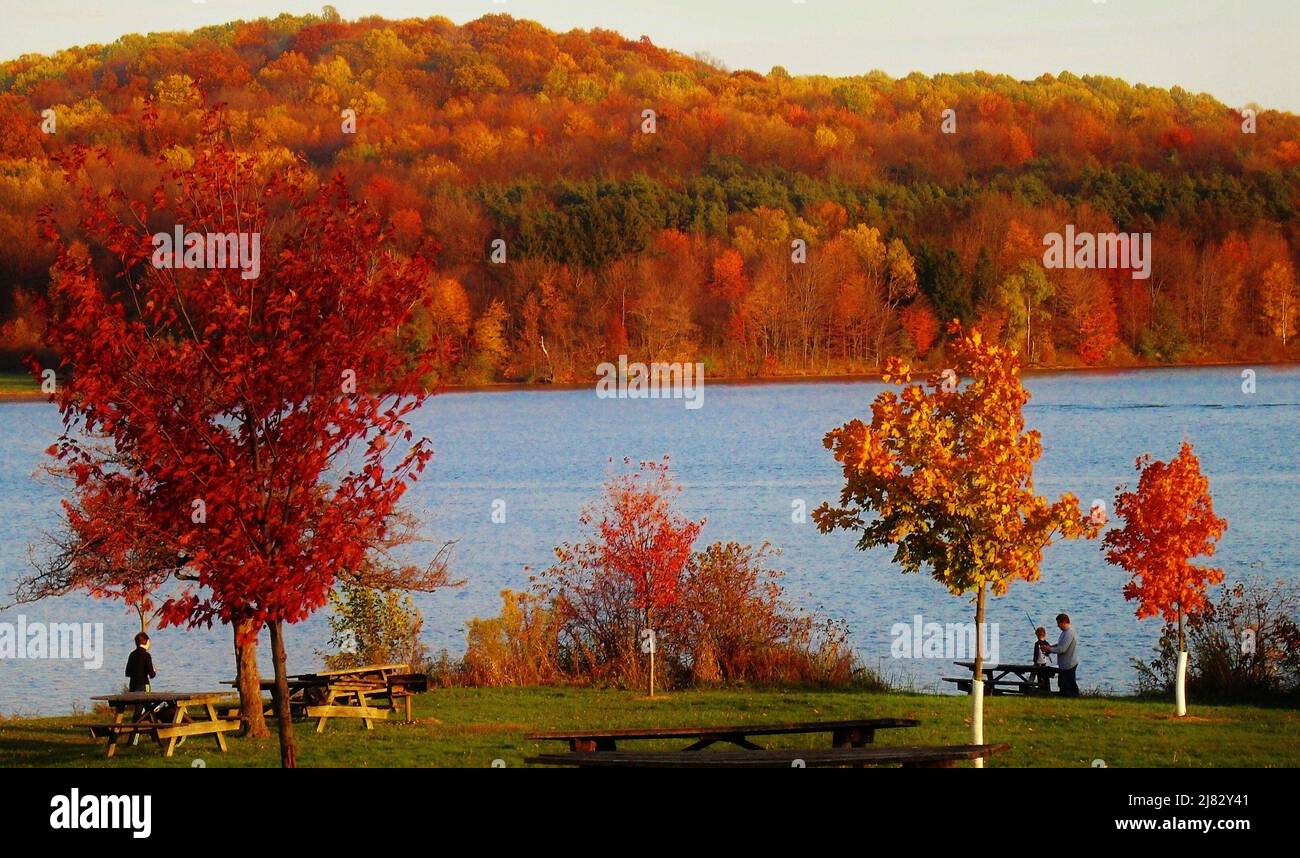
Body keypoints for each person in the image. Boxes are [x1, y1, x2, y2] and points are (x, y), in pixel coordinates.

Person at [1042, 613, 1079, 697]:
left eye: (1059, 623)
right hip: (1064, 665)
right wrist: (1050, 646)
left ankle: (1074, 698)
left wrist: (1049, 649)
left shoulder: (1069, 633)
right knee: (1062, 684)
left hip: (1069, 664)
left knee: (1070, 685)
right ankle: (1066, 697)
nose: (1058, 626)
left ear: (1064, 622)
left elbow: (1062, 649)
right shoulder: (1065, 632)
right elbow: (1059, 645)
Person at [1031, 626, 1053, 690]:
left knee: (1039, 676)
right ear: (1044, 634)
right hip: (1044, 662)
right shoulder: (1047, 643)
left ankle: (1040, 687)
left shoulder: (1037, 643)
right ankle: (1045, 687)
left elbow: (1036, 654)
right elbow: (1048, 652)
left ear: (1037, 635)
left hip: (1038, 663)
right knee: (1044, 675)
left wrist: (1034, 661)